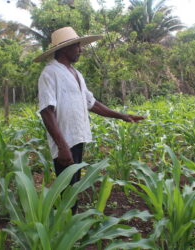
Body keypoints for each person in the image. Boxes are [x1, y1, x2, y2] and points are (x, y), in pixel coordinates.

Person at [34, 27, 145, 213]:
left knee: (74, 184)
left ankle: (69, 222)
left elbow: (92, 104)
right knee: (67, 186)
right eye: (76, 45)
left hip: (77, 137)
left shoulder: (76, 74)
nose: (81, 49)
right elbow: (47, 111)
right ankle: (65, 227)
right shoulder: (50, 73)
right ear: (64, 49)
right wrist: (62, 146)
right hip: (64, 141)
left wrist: (122, 116)